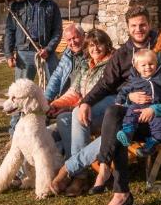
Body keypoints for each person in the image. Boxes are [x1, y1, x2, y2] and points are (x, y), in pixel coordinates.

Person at [94, 20, 161, 205]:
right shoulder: (151, 58)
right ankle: (105, 166)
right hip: (143, 113)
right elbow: (132, 83)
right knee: (114, 112)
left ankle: (120, 193)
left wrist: (155, 109)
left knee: (118, 127)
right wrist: (131, 96)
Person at [51, 5, 156, 196]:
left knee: (112, 127)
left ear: (149, 25)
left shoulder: (159, 46)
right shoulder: (124, 53)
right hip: (122, 100)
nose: (138, 29)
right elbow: (106, 83)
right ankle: (81, 176)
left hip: (141, 108)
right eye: (134, 25)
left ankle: (71, 169)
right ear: (127, 27)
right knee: (74, 114)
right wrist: (86, 103)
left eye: (142, 25)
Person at [3, 0, 62, 131]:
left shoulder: (51, 6)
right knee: (20, 93)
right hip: (24, 53)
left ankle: (48, 122)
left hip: (46, 53)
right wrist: (8, 53)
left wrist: (49, 49)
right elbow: (9, 31)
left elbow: (57, 31)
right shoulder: (17, 6)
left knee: (53, 87)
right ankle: (15, 129)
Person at [46, 28, 113, 165]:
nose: (95, 49)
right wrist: (54, 104)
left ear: (107, 44)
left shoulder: (111, 65)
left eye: (99, 44)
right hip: (83, 107)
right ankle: (72, 161)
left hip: (102, 111)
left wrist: (72, 107)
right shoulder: (85, 65)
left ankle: (76, 170)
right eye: (91, 45)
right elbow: (74, 91)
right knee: (62, 118)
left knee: (75, 114)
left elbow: (100, 95)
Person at [115, 49, 161, 156]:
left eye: (151, 64)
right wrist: (119, 101)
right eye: (143, 65)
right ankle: (127, 132)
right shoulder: (134, 80)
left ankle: (153, 142)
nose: (148, 67)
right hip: (138, 105)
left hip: (156, 107)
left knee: (159, 123)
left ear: (156, 63)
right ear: (136, 67)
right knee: (130, 112)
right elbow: (124, 90)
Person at [44, 24, 85, 103]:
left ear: (83, 36)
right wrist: (47, 98)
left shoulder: (91, 54)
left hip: (79, 98)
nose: (72, 42)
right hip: (64, 96)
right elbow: (57, 77)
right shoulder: (67, 54)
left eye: (75, 38)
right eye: (69, 40)